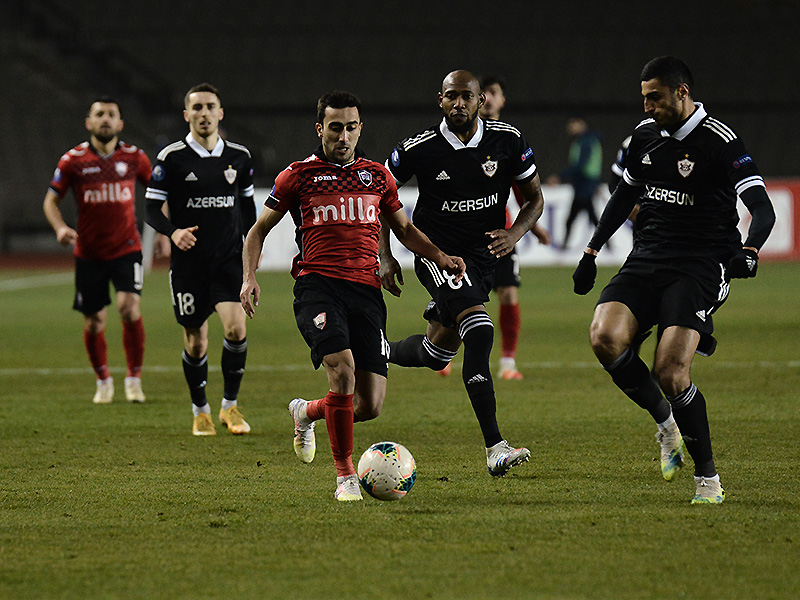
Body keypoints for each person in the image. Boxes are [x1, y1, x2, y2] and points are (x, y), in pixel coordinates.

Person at [240, 90, 465, 502]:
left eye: (350, 127)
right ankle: (345, 476)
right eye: (334, 127)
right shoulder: (297, 175)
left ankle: (306, 411)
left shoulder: (377, 175)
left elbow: (404, 229)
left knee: (369, 405)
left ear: (360, 128)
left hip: (366, 291)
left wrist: (440, 257)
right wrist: (249, 277)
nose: (343, 136)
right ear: (319, 129)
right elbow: (258, 230)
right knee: (342, 369)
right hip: (318, 287)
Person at [572, 56, 775, 504]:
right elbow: (624, 194)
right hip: (648, 258)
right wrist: (591, 250)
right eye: (644, 98)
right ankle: (667, 426)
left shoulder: (720, 140)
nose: (647, 106)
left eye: (655, 97)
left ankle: (708, 479)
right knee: (604, 336)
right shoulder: (645, 137)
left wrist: (749, 250)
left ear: (682, 92)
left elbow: (763, 208)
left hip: (700, 265)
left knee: (670, 369)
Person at [380, 70, 545, 477]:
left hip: (484, 258)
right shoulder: (418, 148)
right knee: (480, 329)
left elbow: (535, 198)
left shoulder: (508, 140)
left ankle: (377, 348)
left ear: (480, 100)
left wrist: (515, 233)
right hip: (437, 255)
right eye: (451, 96)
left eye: (466, 97)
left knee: (436, 352)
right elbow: (378, 195)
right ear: (440, 100)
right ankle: (495, 448)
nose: (459, 103)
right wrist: (385, 254)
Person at [145, 83, 256, 436]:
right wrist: (173, 231)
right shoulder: (171, 158)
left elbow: (248, 209)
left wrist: (251, 250)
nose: (204, 113)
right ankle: (200, 411)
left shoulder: (240, 157)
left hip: (228, 260)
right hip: (189, 265)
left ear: (220, 113)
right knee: (196, 341)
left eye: (210, 107)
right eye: (197, 107)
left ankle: (230, 407)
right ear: (186, 115)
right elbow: (150, 208)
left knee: (236, 329)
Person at [43, 97, 152, 405]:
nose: (105, 118)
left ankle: (133, 380)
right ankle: (103, 381)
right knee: (94, 322)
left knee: (129, 307)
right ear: (88, 122)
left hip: (127, 248)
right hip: (89, 253)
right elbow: (50, 201)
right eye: (99, 114)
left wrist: (164, 232)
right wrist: (60, 228)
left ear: (120, 123)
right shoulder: (73, 160)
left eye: (111, 114)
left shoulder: (135, 157)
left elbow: (159, 193)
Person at [478, 75, 551, 380]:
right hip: (465, 233)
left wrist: (533, 227)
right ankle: (444, 354)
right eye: (482, 93)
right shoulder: (463, 137)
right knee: (462, 298)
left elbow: (523, 189)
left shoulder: (509, 139)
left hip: (501, 233)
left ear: (502, 100)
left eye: (493, 92)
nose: (487, 98)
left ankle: (508, 362)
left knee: (508, 293)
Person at [547, 117, 603, 249]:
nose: (570, 128)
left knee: (576, 217)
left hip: (584, 184)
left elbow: (580, 165)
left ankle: (565, 246)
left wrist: (560, 177)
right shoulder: (587, 140)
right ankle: (606, 244)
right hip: (585, 184)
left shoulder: (585, 141)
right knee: (590, 216)